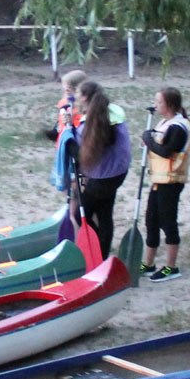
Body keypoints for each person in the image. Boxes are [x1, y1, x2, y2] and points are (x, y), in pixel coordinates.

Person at [73, 81, 131, 259]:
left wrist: (66, 138)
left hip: (102, 177)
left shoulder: (89, 124)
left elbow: (80, 152)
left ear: (84, 97)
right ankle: (103, 254)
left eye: (77, 92)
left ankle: (97, 250)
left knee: (79, 214)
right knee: (105, 212)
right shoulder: (113, 112)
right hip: (118, 173)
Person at [139, 87, 190, 282]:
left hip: (171, 181)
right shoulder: (164, 122)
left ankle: (171, 267)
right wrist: (147, 142)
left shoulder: (178, 127)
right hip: (159, 180)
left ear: (169, 105)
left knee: (167, 221)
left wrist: (148, 140)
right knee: (151, 219)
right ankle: (149, 263)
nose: (155, 105)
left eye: (159, 102)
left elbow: (167, 151)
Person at [45, 69, 90, 142]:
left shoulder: (85, 106)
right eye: (65, 90)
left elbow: (83, 125)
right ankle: (55, 132)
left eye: (68, 90)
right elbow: (61, 118)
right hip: (64, 137)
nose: (66, 93)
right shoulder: (66, 102)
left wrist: (72, 123)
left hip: (77, 140)